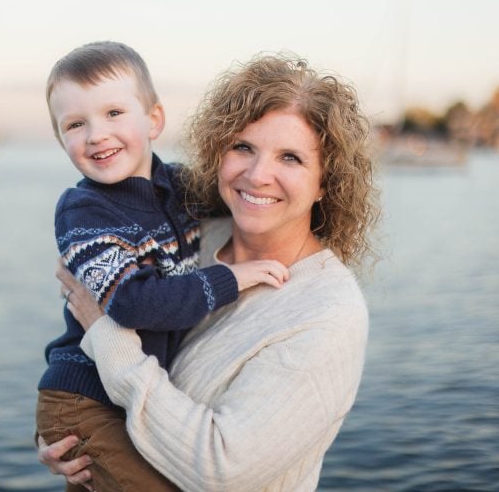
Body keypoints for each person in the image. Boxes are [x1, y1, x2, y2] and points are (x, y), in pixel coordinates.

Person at [39, 53, 380, 491]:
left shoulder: (328, 312)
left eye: (291, 158)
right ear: (218, 149)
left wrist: (104, 333)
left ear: (325, 182)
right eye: (243, 147)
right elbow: (91, 354)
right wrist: (69, 436)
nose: (258, 175)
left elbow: (222, 470)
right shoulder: (190, 230)